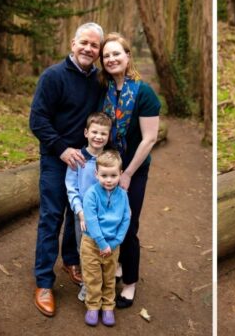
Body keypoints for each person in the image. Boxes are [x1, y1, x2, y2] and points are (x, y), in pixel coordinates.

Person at [29, 21, 105, 318]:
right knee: (51, 218)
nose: (88, 48)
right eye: (83, 42)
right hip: (55, 159)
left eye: (94, 45)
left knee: (80, 215)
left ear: (98, 51)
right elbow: (37, 120)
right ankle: (44, 282)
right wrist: (61, 149)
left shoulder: (99, 81)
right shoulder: (53, 76)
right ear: (73, 44)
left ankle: (72, 260)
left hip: (86, 162)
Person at [98, 32, 160, 310]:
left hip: (133, 169)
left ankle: (130, 283)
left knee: (128, 224)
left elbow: (149, 138)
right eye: (106, 55)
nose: (111, 59)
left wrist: (128, 174)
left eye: (116, 53)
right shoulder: (104, 89)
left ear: (127, 56)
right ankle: (118, 264)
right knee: (106, 219)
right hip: (107, 167)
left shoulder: (143, 92)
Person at [65, 112, 114, 305]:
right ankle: (88, 284)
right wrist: (80, 211)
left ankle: (104, 285)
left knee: (105, 249)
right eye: (94, 132)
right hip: (83, 217)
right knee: (84, 251)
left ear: (108, 136)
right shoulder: (78, 159)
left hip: (105, 217)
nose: (98, 137)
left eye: (103, 133)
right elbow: (72, 189)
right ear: (86, 132)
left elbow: (115, 186)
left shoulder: (110, 160)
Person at [80, 149, 131, 327]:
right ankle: (93, 306)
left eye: (113, 175)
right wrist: (102, 243)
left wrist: (115, 242)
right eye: (104, 175)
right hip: (92, 243)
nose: (108, 180)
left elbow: (126, 218)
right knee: (93, 276)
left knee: (109, 277)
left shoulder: (123, 195)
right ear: (96, 174)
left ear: (120, 174)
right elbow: (91, 220)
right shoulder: (91, 194)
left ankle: (108, 306)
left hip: (112, 245)